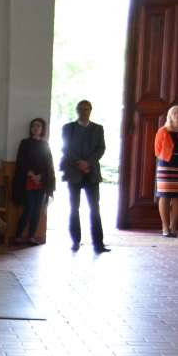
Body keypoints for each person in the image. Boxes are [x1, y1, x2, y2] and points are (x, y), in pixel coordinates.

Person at [61, 99, 108, 252]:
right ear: (77, 111)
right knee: (74, 208)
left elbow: (101, 149)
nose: (83, 111)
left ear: (90, 111)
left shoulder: (98, 128)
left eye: (86, 109)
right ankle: (75, 241)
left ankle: (98, 243)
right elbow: (65, 149)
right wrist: (79, 164)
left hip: (91, 173)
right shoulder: (68, 128)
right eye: (81, 109)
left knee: (94, 208)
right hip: (74, 172)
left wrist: (88, 163)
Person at [11, 118, 56, 245]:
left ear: (42, 129)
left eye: (38, 125)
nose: (35, 127)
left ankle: (31, 237)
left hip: (41, 182)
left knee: (37, 211)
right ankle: (17, 237)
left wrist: (40, 176)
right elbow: (21, 162)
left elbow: (48, 165)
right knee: (29, 210)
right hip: (28, 181)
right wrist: (32, 176)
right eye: (33, 125)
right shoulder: (25, 143)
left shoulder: (45, 145)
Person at [154, 105, 178, 237]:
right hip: (166, 166)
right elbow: (157, 150)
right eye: (174, 113)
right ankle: (165, 226)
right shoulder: (163, 130)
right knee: (164, 195)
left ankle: (173, 226)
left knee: (177, 197)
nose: (177, 116)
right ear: (170, 116)